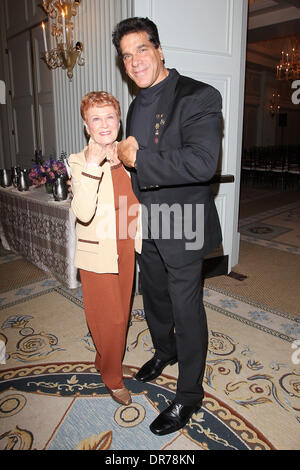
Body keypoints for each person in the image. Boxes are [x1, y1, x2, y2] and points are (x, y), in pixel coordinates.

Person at [112, 17, 223, 435]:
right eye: (127, 56)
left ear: (159, 50)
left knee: (185, 305)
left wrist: (137, 159)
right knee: (153, 295)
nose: (135, 61)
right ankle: (164, 350)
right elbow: (129, 164)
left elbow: (200, 163)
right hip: (146, 219)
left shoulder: (198, 95)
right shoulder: (137, 104)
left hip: (186, 220)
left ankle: (190, 395)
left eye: (142, 49)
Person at [68, 91, 141, 406]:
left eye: (110, 116)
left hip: (125, 243)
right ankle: (112, 377)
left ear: (119, 119)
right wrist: (92, 166)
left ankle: (104, 358)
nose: (104, 124)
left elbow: (138, 196)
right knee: (108, 317)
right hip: (97, 249)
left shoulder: (126, 155)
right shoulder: (78, 161)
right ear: (86, 125)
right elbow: (82, 212)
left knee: (121, 313)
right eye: (95, 118)